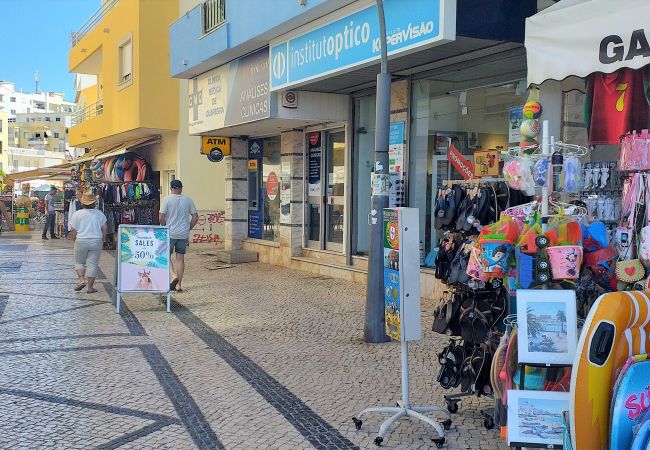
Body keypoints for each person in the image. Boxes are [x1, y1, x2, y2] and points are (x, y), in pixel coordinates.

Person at [159, 179, 198, 292]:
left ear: (171, 189)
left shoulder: (167, 199)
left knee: (166, 256)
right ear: (181, 188)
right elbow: (195, 217)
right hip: (183, 233)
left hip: (170, 232)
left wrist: (163, 227)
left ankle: (173, 275)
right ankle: (179, 285)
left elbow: (161, 217)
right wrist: (189, 228)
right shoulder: (188, 200)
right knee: (180, 259)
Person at [69, 191, 107, 294]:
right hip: (96, 241)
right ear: (94, 203)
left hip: (81, 240)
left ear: (82, 203)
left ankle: (81, 280)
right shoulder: (100, 214)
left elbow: (73, 230)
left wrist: (74, 239)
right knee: (93, 264)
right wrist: (103, 239)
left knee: (79, 262)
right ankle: (90, 288)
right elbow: (104, 228)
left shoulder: (77, 214)